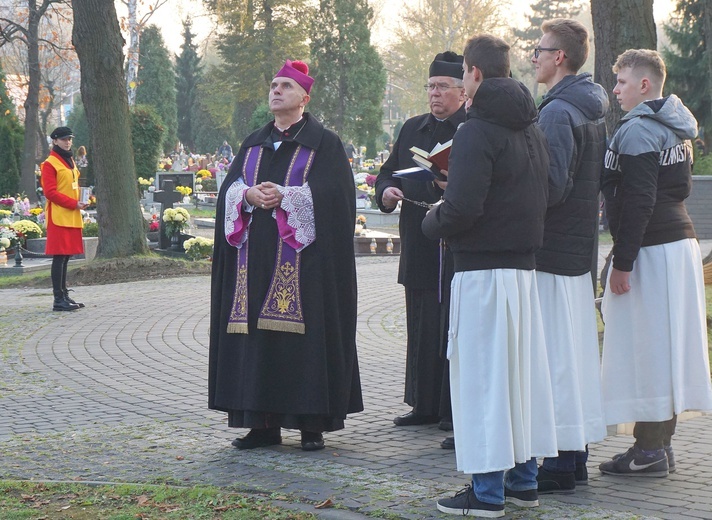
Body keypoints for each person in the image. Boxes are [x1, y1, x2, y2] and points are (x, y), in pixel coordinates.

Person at [424, 35, 557, 518]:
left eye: (462, 74)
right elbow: (552, 188)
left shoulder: (477, 129)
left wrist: (432, 218)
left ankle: (485, 494)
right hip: (523, 273)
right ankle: (523, 481)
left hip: (482, 272)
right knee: (519, 381)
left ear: (474, 73)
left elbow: (462, 209)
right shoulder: (531, 126)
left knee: (482, 381)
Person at [208, 59, 363, 452]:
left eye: (285, 87)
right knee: (257, 342)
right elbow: (230, 188)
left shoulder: (323, 143)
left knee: (303, 343)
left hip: (305, 269)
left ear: (304, 98)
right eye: (274, 85)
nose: (276, 91)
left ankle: (311, 424)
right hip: (254, 264)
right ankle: (261, 424)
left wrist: (290, 196)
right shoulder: (253, 142)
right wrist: (246, 195)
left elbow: (338, 199)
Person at [598, 49, 712, 477]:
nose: (615, 90)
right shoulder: (675, 127)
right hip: (676, 247)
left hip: (654, 248)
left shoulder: (641, 130)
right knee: (666, 347)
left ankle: (649, 450)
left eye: (622, 82)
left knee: (649, 349)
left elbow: (639, 200)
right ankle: (656, 446)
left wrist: (622, 261)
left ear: (644, 85)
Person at [530, 19, 608, 493]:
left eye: (540, 50)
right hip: (576, 247)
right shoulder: (590, 105)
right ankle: (573, 455)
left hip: (555, 248)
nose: (533, 56)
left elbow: (553, 186)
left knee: (557, 357)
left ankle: (559, 463)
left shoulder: (559, 112)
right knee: (572, 356)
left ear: (559, 57)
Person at [375, 51, 466, 430]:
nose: (434, 94)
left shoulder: (470, 129)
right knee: (420, 326)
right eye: (430, 87)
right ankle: (422, 404)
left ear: (462, 91)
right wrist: (387, 192)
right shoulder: (412, 128)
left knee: (450, 326)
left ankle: (450, 407)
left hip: (454, 247)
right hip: (418, 243)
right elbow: (386, 174)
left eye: (443, 87)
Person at [40, 126, 87, 312]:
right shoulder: (50, 164)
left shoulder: (69, 160)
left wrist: (82, 200)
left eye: (70, 139)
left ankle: (64, 294)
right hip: (59, 215)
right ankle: (58, 299)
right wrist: (73, 203)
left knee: (66, 256)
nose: (68, 142)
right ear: (55, 141)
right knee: (59, 256)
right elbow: (50, 192)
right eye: (64, 139)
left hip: (71, 213)